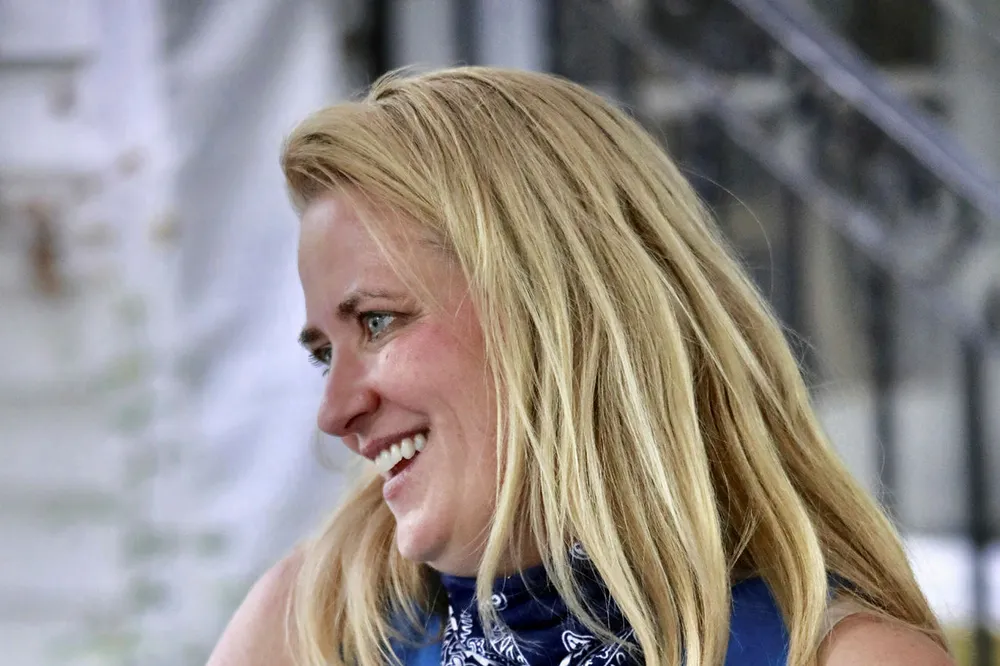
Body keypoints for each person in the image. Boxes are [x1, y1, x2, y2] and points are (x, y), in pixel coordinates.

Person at [207, 67, 954, 666]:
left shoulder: (843, 657)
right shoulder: (309, 629)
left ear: (554, 308)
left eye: (378, 321)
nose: (335, 412)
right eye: (323, 355)